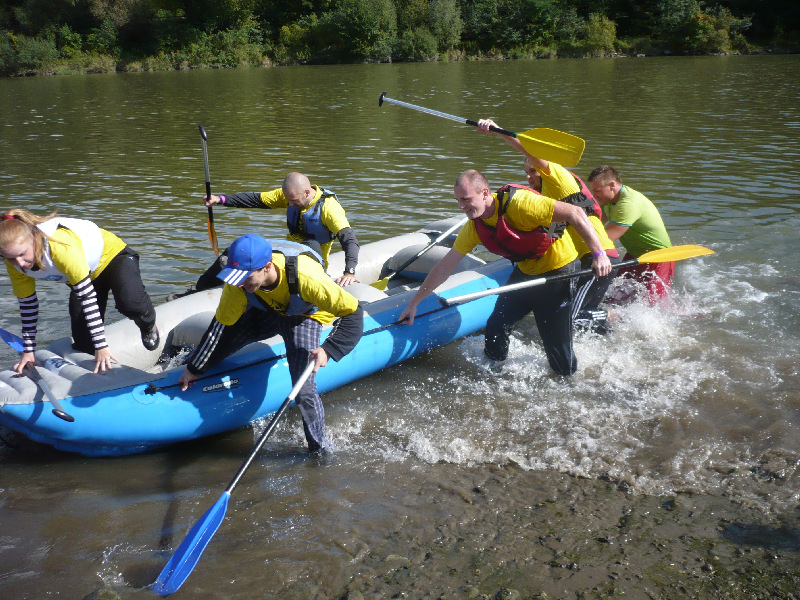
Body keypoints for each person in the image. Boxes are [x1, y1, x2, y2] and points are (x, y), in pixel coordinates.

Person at [398, 170, 612, 377]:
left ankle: (569, 383)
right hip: (525, 273)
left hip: (557, 270)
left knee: (558, 353)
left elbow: (574, 212)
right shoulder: (475, 226)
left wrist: (599, 254)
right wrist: (415, 302)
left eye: (466, 199)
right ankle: (494, 374)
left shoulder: (521, 204)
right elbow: (445, 267)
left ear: (484, 193)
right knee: (496, 326)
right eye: (458, 201)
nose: (462, 207)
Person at [177, 234, 363, 454]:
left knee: (303, 391)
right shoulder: (238, 284)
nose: (240, 283)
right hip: (267, 311)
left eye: (246, 278)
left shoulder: (306, 276)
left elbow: (353, 313)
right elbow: (221, 325)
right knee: (212, 351)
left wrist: (328, 350)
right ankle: (185, 361)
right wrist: (194, 367)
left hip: (305, 317)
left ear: (267, 267)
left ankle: (320, 449)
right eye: (236, 278)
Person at [476, 119, 621, 333]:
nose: (528, 176)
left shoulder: (558, 178)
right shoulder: (544, 197)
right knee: (574, 323)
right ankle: (605, 337)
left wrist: (498, 131)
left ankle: (612, 317)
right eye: (526, 172)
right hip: (580, 262)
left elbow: (533, 153)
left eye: (533, 171)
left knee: (569, 319)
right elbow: (552, 236)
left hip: (598, 259)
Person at [0, 210, 159, 375]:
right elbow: (28, 306)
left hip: (113, 257)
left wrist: (102, 346)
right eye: (10, 258)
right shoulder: (15, 265)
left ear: (33, 239)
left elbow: (87, 297)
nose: (19, 263)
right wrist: (28, 350)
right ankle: (96, 379)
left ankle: (148, 324)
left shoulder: (60, 247)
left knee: (130, 303)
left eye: (22, 254)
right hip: (87, 274)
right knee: (83, 340)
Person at [185, 172, 360, 296]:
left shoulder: (329, 209)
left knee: (311, 245)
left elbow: (349, 240)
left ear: (307, 193)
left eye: (293, 201)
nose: (289, 204)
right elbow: (255, 199)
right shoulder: (290, 194)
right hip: (288, 250)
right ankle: (199, 290)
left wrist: (349, 272)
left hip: (310, 260)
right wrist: (220, 199)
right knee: (237, 249)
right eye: (287, 200)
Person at [587, 165, 674, 304]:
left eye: (597, 191)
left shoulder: (628, 204)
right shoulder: (608, 200)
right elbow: (596, 224)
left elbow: (606, 239)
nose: (594, 195)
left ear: (612, 185)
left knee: (652, 306)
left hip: (659, 257)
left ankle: (694, 315)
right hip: (635, 255)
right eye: (593, 191)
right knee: (613, 299)